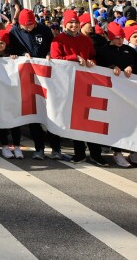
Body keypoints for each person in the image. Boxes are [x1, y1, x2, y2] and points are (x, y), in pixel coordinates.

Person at [51, 10, 105, 166]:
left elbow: (92, 56)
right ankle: (79, 153)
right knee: (75, 119)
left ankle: (96, 153)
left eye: (76, 22)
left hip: (86, 83)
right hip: (68, 83)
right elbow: (56, 60)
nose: (74, 25)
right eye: (70, 23)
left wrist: (92, 61)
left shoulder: (85, 40)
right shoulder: (58, 40)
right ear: (65, 24)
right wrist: (74, 57)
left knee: (90, 119)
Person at [95, 22, 137, 167]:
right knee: (115, 122)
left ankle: (133, 151)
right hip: (111, 92)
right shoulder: (102, 51)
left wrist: (131, 67)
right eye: (116, 38)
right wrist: (111, 67)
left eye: (121, 38)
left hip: (130, 92)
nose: (119, 41)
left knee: (131, 121)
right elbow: (98, 66)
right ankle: (117, 151)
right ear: (110, 38)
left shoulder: (129, 50)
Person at [0, 29, 23, 159]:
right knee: (3, 121)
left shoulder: (14, 56)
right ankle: (4, 146)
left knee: (15, 121)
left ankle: (17, 146)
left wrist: (15, 59)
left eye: (2, 43)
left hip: (13, 93)